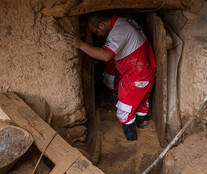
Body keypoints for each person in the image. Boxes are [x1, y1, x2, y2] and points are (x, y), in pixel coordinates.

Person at [64, 13, 156, 141]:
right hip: (147, 72)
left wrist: (80, 44)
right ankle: (143, 127)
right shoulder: (125, 20)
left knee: (123, 112)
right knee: (141, 103)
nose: (98, 36)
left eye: (96, 32)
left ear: (102, 25)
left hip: (136, 78)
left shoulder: (118, 31)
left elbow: (106, 56)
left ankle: (132, 141)